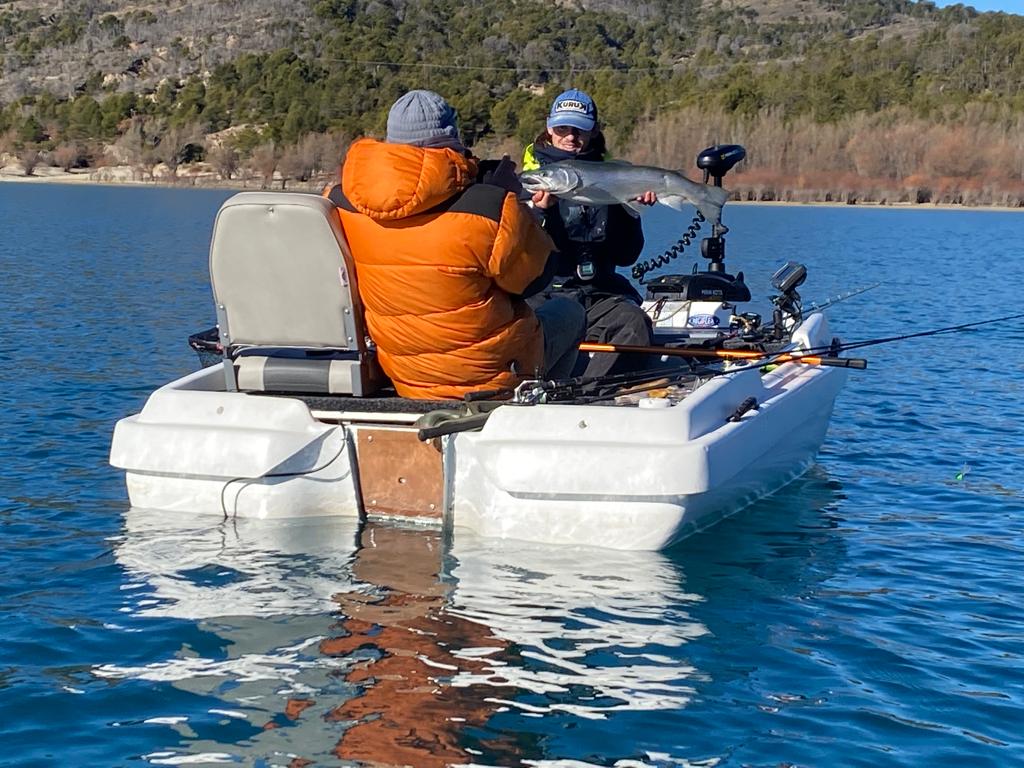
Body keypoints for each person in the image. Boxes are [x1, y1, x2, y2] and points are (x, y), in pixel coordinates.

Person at [328, 89, 584, 400]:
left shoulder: (342, 202)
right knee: (570, 312)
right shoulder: (488, 207)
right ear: (453, 137)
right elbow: (535, 279)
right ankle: (543, 406)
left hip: (404, 376)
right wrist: (523, 212)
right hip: (492, 378)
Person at [523, 88, 656, 379]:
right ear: (549, 127)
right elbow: (515, 259)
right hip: (544, 296)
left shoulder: (614, 177)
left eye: (580, 129)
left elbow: (626, 256)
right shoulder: (527, 180)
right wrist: (540, 214)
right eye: (563, 128)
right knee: (523, 330)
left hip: (599, 293)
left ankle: (590, 392)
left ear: (593, 131)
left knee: (635, 325)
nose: (571, 136)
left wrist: (632, 214)